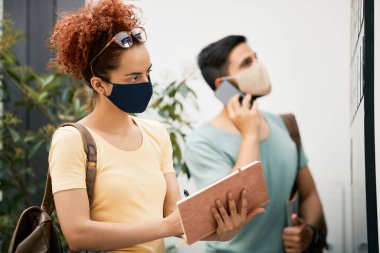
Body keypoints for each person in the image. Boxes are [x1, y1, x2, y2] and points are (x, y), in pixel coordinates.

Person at [47, 1, 262, 253]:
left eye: (147, 73)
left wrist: (223, 232)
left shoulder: (156, 134)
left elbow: (176, 219)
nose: (146, 83)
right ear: (99, 84)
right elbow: (77, 234)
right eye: (134, 77)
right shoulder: (71, 140)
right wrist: (165, 227)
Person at [185, 35, 327, 253]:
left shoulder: (283, 125)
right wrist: (250, 134)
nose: (258, 66)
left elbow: (309, 194)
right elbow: (231, 207)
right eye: (247, 63)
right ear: (223, 85)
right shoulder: (202, 141)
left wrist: (307, 231)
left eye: (256, 58)